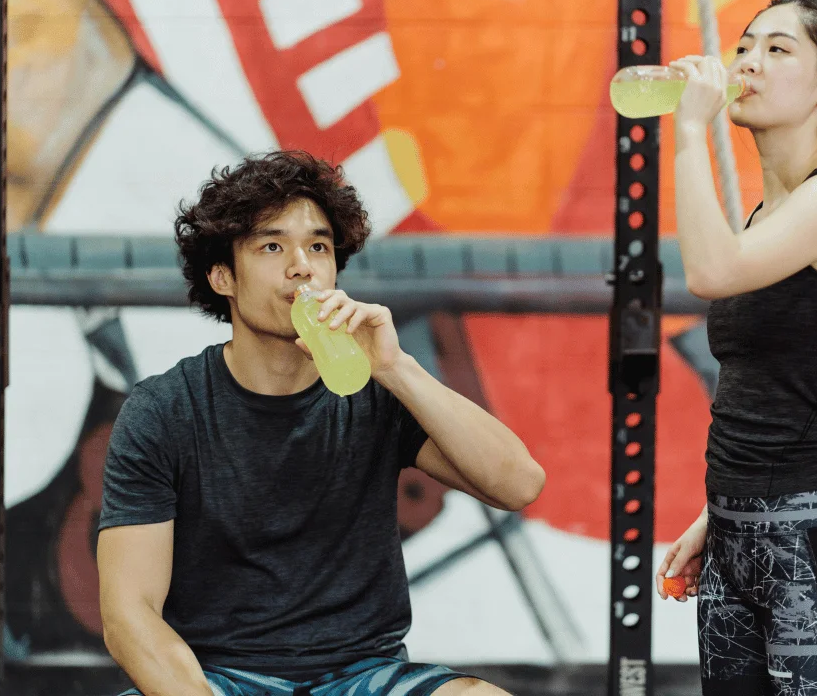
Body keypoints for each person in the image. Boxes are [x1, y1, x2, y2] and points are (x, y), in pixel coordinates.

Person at [96, 150, 546, 696]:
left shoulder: (376, 390)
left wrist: (397, 368)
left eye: (318, 246)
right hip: (218, 679)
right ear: (222, 277)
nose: (301, 265)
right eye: (271, 245)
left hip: (366, 676)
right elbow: (129, 614)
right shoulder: (164, 411)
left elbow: (519, 483)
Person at [654, 0, 817, 695]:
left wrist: (688, 134)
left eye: (776, 49)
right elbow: (770, 391)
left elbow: (709, 271)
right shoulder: (768, 217)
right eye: (744, 46)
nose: (748, 64)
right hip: (734, 539)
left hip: (810, 543)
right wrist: (718, 515)